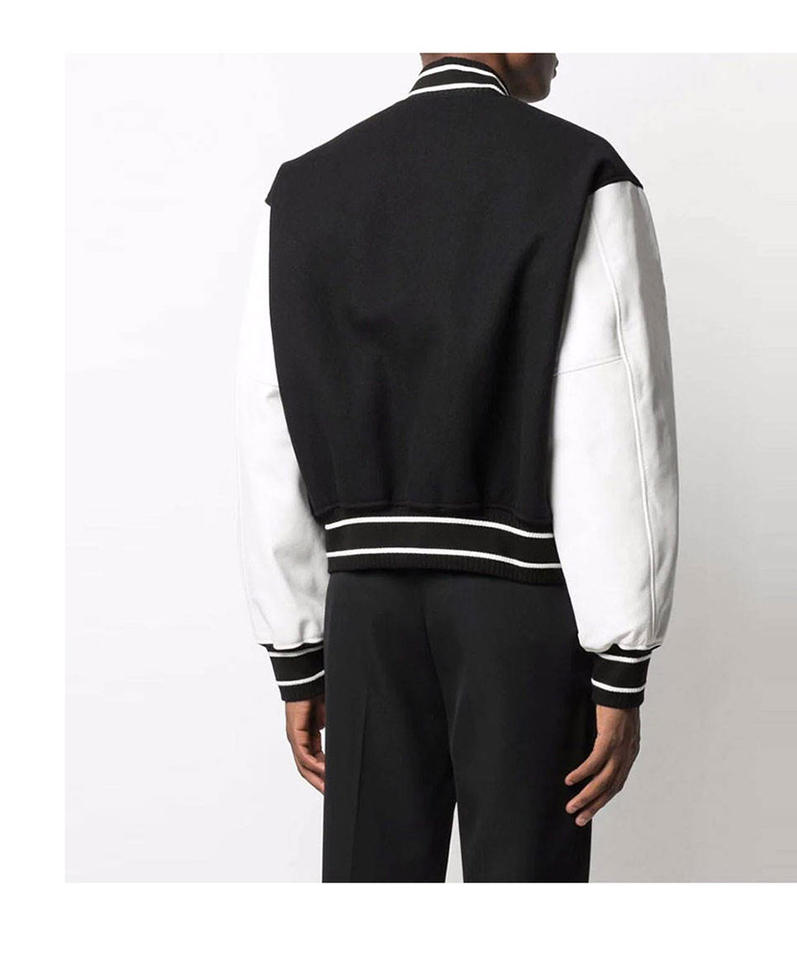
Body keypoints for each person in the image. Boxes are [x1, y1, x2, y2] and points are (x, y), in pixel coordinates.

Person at [237, 53, 678, 882]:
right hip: (519, 605)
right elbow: (615, 420)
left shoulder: (301, 190)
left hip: (364, 606)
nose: (560, 47)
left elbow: (270, 422)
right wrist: (623, 660)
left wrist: (297, 649)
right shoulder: (580, 173)